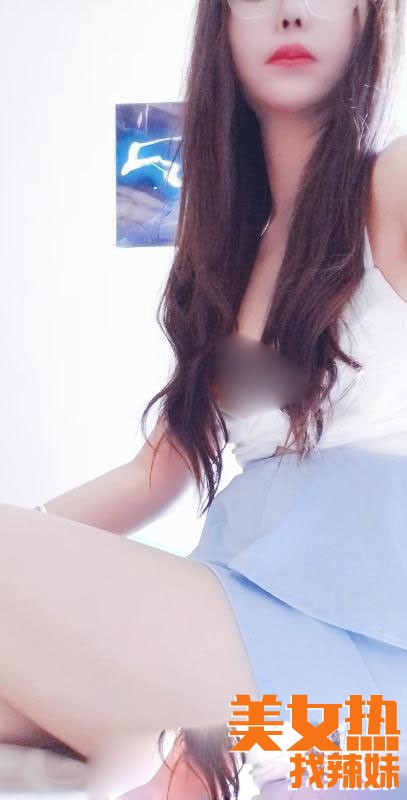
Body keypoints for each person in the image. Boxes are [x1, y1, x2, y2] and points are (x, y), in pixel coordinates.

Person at [0, 0, 406, 798]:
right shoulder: (224, 264)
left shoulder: (390, 186)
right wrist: (27, 547)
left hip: (359, 660)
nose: (290, 13)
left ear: (368, 18)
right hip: (251, 658)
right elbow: (154, 475)